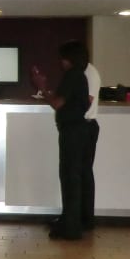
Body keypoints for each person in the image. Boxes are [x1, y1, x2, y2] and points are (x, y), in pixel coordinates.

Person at [32, 40, 90, 240]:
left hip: (72, 130)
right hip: (77, 129)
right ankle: (70, 222)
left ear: (69, 58)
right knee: (72, 176)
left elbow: (57, 103)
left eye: (63, 58)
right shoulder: (79, 76)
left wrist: (42, 87)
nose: (61, 62)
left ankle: (71, 227)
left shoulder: (72, 75)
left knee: (69, 177)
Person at [83, 60, 101, 231]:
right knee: (83, 173)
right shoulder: (87, 72)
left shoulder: (89, 73)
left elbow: (87, 100)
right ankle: (83, 218)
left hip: (86, 126)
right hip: (86, 127)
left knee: (83, 174)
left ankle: (86, 219)